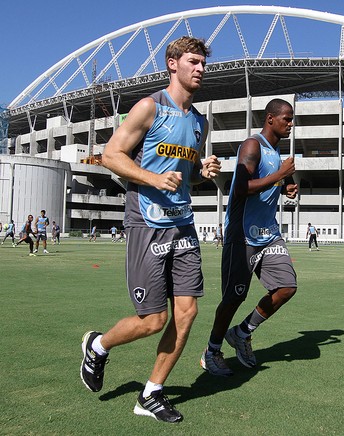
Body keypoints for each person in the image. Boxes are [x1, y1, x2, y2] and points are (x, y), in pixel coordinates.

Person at [80, 36, 220, 423]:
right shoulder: (149, 107)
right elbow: (110, 155)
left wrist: (202, 174)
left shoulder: (198, 121)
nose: (200, 69)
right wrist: (151, 179)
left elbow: (185, 177)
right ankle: (98, 345)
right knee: (153, 320)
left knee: (187, 312)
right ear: (172, 64)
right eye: (193, 61)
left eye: (203, 63)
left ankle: (152, 393)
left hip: (183, 223)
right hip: (146, 222)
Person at [201, 98, 298, 377]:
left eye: (292, 120)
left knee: (287, 287)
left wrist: (284, 187)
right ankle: (211, 351)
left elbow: (268, 183)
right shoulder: (252, 145)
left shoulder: (276, 152)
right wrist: (280, 175)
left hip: (269, 234)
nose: (290, 124)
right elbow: (242, 187)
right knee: (233, 298)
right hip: (242, 234)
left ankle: (242, 332)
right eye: (286, 119)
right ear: (270, 119)